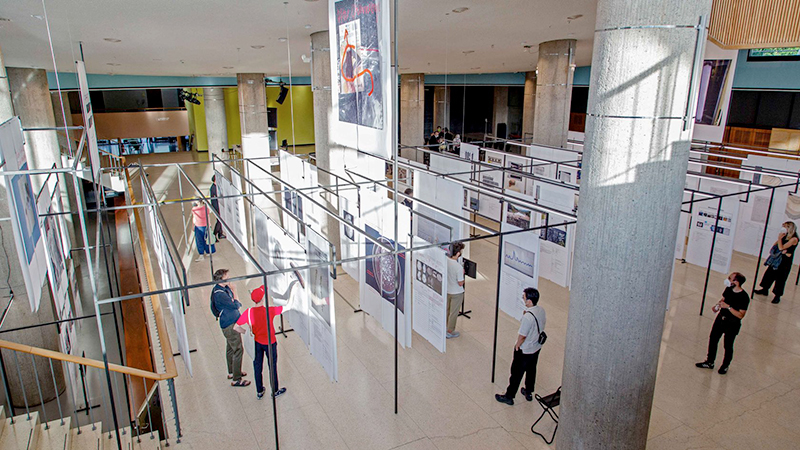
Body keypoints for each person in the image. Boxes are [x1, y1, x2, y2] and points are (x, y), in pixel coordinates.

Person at [234, 286, 290, 399]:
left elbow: (236, 327)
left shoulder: (248, 312)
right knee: (272, 366)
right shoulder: (269, 310)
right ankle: (275, 390)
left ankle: (259, 390)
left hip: (257, 343)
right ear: (263, 299)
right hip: (270, 343)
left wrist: (246, 332)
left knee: (257, 366)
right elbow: (286, 307)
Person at [496, 287, 546, 405]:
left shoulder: (528, 317)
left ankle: (509, 396)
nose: (523, 299)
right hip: (536, 347)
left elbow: (522, 336)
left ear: (529, 301)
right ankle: (528, 391)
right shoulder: (541, 310)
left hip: (525, 350)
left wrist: (517, 345)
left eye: (524, 297)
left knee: (516, 373)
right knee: (531, 369)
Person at [696, 272, 749, 374]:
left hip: (732, 324)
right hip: (720, 319)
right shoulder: (728, 289)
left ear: (736, 282)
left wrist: (728, 307)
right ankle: (710, 361)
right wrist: (717, 306)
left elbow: (740, 315)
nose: (728, 280)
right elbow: (724, 299)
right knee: (713, 339)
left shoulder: (744, 297)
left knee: (728, 345)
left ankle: (725, 365)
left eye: (730, 278)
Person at [211, 269, 250, 387]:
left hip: (230, 322)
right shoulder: (220, 294)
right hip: (230, 325)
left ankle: (232, 372)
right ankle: (236, 379)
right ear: (222, 279)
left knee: (230, 348)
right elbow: (236, 305)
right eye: (227, 277)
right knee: (238, 349)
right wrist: (235, 290)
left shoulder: (222, 289)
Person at [754, 221, 798, 304]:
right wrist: (780, 245)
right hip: (777, 259)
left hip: (784, 262)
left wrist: (779, 240)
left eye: (785, 227)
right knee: (769, 274)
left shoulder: (794, 238)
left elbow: (781, 247)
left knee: (780, 278)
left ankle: (777, 296)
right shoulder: (785, 236)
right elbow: (776, 246)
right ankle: (764, 289)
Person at [446, 242, 465, 339]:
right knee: (454, 312)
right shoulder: (458, 267)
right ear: (458, 253)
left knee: (447, 310)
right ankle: (450, 331)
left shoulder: (445, 261)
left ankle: (445, 327)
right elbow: (460, 282)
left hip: (447, 290)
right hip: (456, 293)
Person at [209, 175, 226, 240]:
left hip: (218, 206)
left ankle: (220, 233)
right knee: (219, 221)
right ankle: (214, 235)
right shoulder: (213, 188)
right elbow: (215, 199)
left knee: (220, 221)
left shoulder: (216, 187)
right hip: (216, 207)